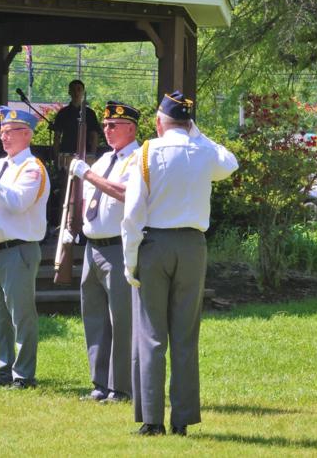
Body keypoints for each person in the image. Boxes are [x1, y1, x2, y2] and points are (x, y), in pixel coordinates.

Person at [121, 91, 238, 436]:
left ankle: (152, 420)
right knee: (185, 337)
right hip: (192, 246)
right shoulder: (204, 152)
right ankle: (182, 419)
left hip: (155, 245)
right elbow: (230, 163)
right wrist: (196, 134)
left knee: (151, 336)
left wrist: (130, 261)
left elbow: (131, 214)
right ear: (189, 122)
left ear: (159, 122)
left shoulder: (146, 152)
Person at [0, 106, 50, 389]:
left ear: (26, 134)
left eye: (9, 132)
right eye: (1, 132)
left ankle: (24, 374)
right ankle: (2, 369)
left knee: (21, 315)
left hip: (19, 250)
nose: (3, 137)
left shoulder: (32, 168)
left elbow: (17, 203)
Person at [68, 101, 140, 403]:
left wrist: (87, 175)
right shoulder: (101, 162)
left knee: (121, 320)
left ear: (131, 128)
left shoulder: (137, 159)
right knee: (95, 319)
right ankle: (99, 384)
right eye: (106, 125)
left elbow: (124, 193)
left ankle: (120, 387)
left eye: (114, 125)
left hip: (118, 248)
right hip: (93, 248)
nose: (108, 130)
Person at [51, 80, 100, 161]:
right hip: (66, 154)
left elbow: (94, 136)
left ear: (83, 92)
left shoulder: (90, 113)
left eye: (79, 89)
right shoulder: (62, 113)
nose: (76, 92)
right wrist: (56, 157)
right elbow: (57, 137)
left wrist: (92, 156)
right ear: (69, 92)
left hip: (85, 154)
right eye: (73, 89)